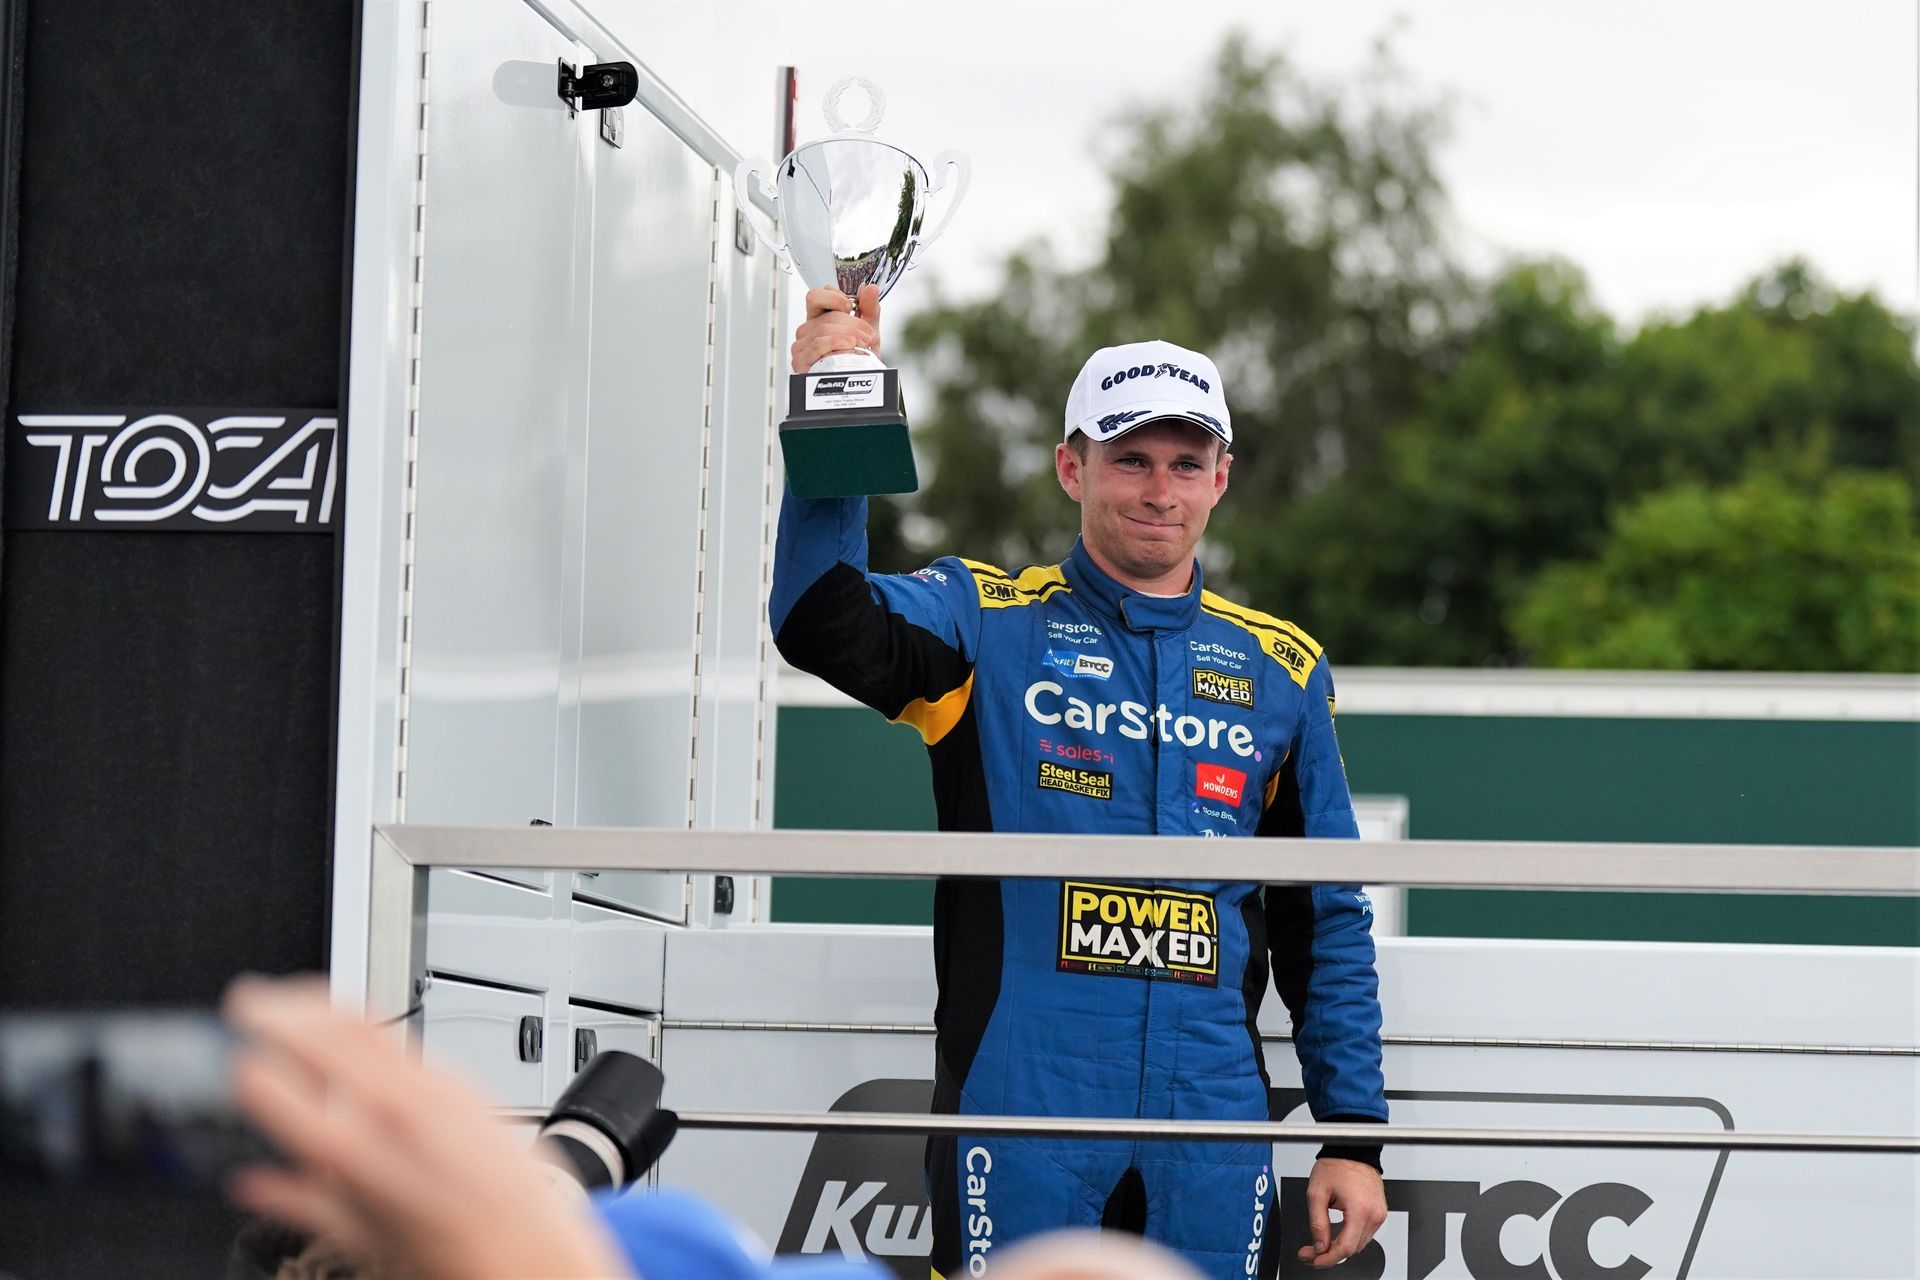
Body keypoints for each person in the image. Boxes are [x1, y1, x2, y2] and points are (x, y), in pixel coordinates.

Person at [772, 286, 1389, 1278]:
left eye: (1187, 463)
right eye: (1131, 459)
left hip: (1214, 1111)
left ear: (1221, 478)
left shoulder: (1284, 667)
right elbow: (818, 616)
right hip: (1021, 1098)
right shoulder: (985, 618)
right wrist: (836, 401)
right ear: (1073, 465)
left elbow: (1327, 918)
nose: (1160, 489)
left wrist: (1354, 1134)